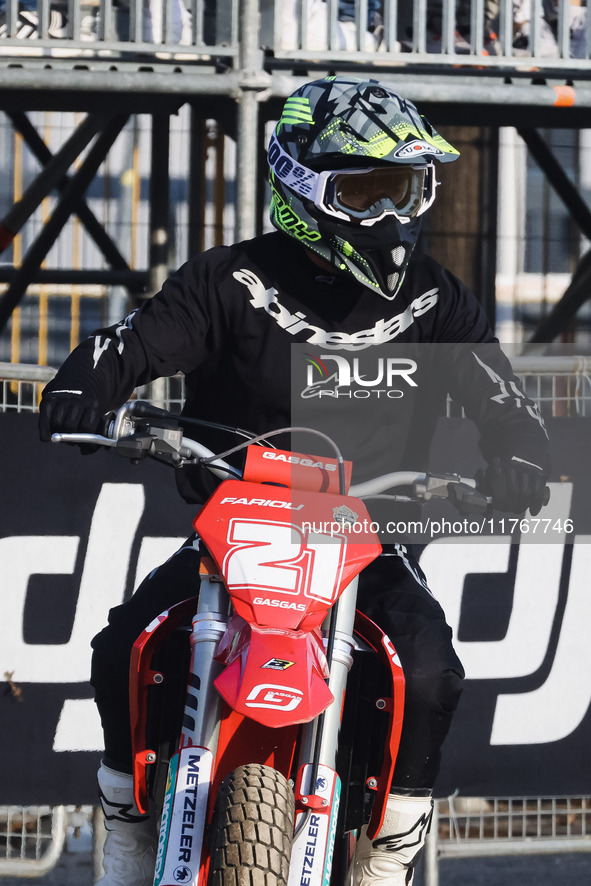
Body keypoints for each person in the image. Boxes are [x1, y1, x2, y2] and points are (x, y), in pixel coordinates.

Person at [38, 76, 550, 886]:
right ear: (302, 186)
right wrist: (87, 382)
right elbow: (133, 343)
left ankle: (388, 851)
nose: (389, 215)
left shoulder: (431, 295)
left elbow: (502, 397)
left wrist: (519, 454)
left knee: (426, 668)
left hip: (369, 541)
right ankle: (128, 824)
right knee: (121, 647)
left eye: (405, 190)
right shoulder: (227, 279)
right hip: (237, 535)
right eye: (367, 190)